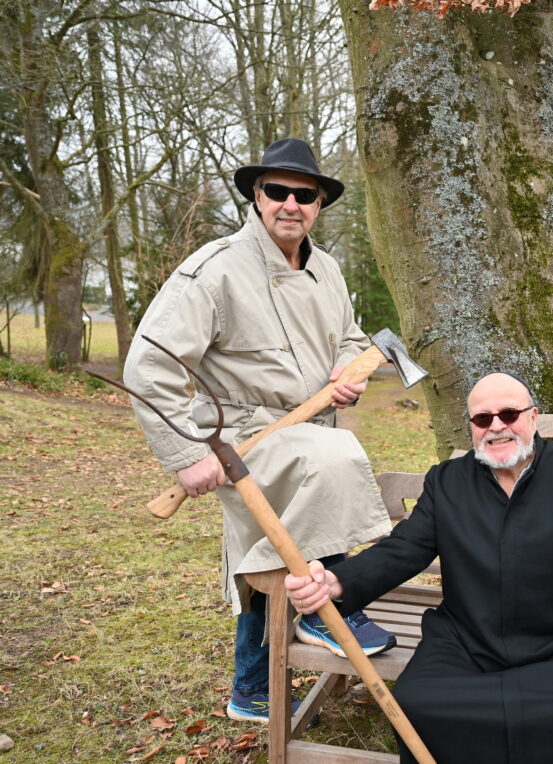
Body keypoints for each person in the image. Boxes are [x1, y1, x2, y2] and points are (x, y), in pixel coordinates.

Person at [123, 138, 398, 723]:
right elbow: (149, 366)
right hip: (242, 440)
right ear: (257, 195)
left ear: (320, 203)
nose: (290, 204)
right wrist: (183, 454)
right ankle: (328, 611)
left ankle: (251, 689)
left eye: (305, 194)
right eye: (278, 191)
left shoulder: (325, 269)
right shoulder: (215, 269)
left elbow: (349, 340)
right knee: (337, 462)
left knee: (268, 557)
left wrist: (347, 372)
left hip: (308, 426)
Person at [285, 372, 553, 763]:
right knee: (419, 701)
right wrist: (337, 581)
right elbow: (405, 549)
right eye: (482, 419)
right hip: (468, 641)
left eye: (509, 413)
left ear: (534, 417)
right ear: (472, 427)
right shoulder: (447, 481)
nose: (497, 426)